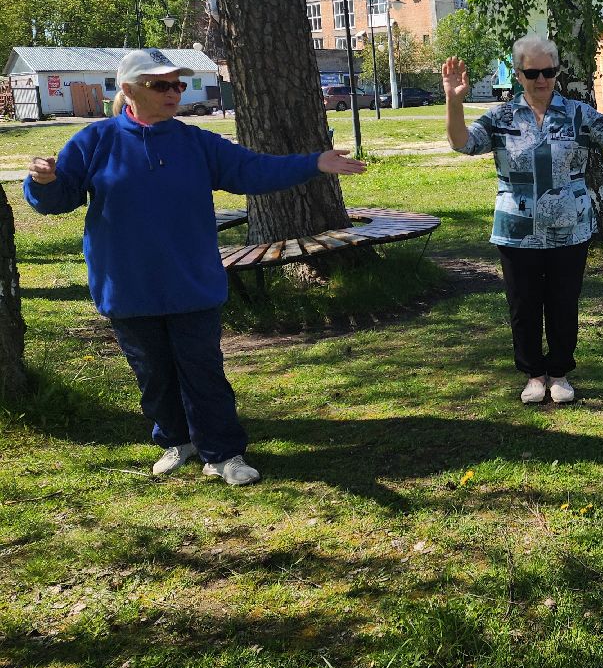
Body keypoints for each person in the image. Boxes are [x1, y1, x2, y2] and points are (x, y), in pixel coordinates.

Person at [24, 48, 366, 485]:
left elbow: (251, 170)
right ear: (129, 90)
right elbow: (59, 199)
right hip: (127, 286)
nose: (174, 92)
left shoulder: (195, 142)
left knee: (202, 371)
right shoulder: (95, 141)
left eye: (177, 84)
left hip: (191, 283)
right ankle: (176, 440)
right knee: (154, 376)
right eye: (160, 85)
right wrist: (43, 182)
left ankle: (224, 454)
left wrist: (314, 162)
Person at [444, 35, 603, 405]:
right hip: (517, 231)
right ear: (518, 74)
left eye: (549, 71)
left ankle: (559, 373)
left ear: (557, 71)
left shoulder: (577, 113)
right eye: (532, 73)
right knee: (524, 304)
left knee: (563, 303)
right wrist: (454, 102)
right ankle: (533, 374)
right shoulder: (500, 117)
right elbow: (462, 142)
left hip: (570, 229)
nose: (542, 79)